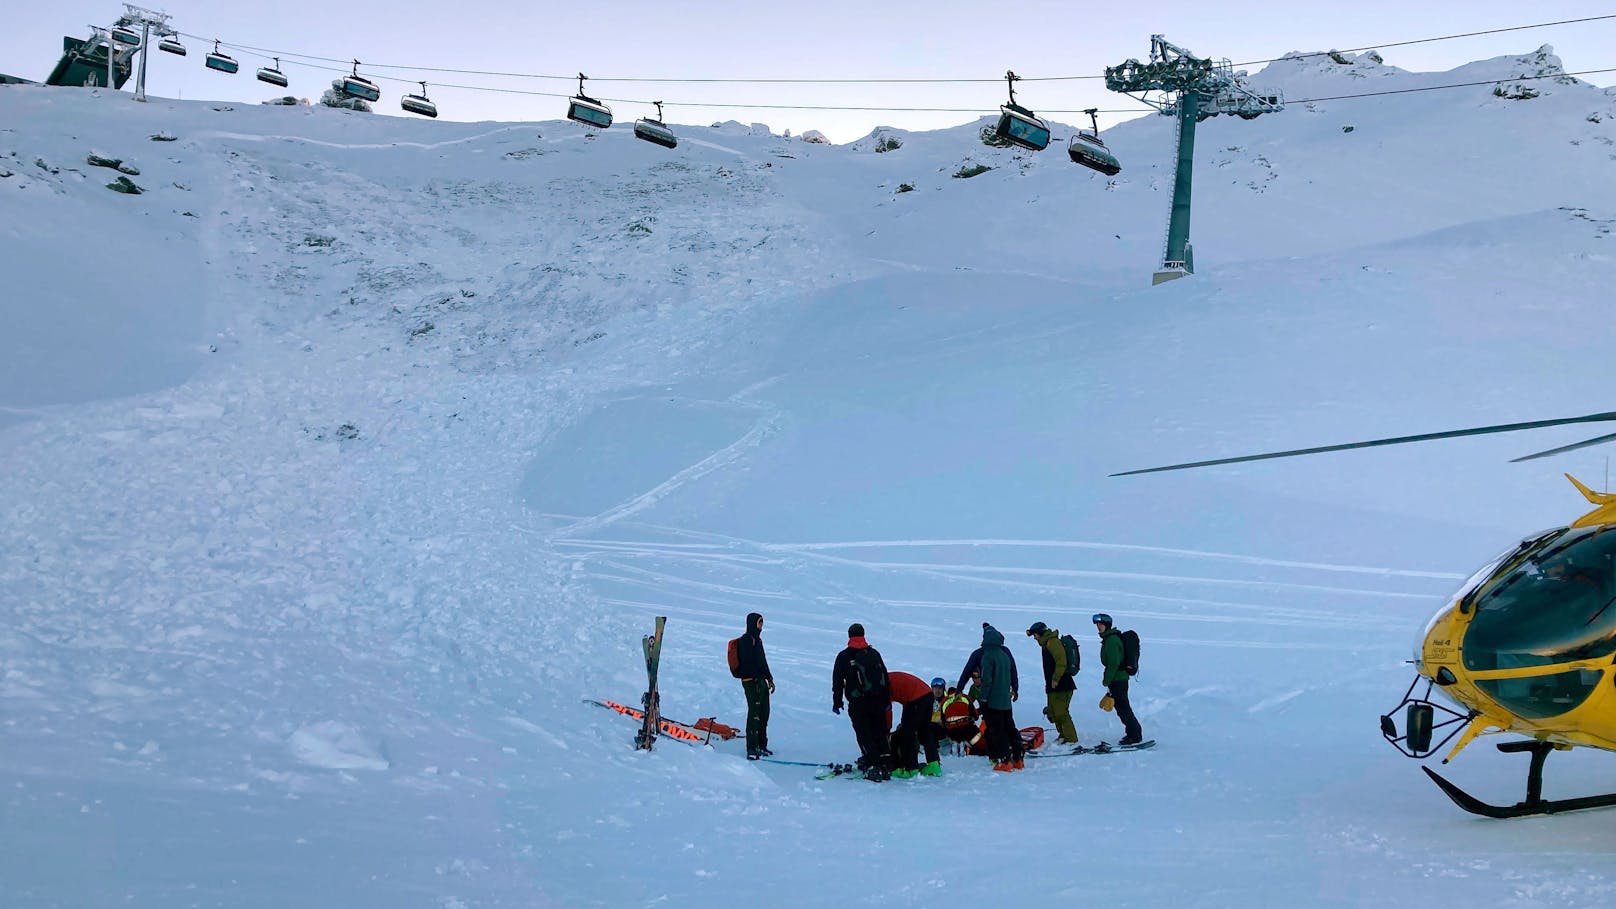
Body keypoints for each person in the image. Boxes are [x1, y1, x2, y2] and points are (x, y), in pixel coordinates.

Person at [832, 623, 892, 779]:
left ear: (849, 635)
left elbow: (837, 681)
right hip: (877, 700)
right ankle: (885, 763)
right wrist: (886, 700)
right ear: (863, 634)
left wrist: (837, 702)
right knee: (879, 731)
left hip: (858, 702)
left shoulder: (844, 656)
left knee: (864, 733)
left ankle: (873, 765)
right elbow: (885, 677)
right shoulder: (874, 653)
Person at [977, 624, 1023, 771]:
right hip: (1006, 701)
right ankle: (1018, 758)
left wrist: (983, 699)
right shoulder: (1004, 655)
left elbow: (986, 681)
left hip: (993, 701)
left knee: (998, 731)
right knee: (1010, 728)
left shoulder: (988, 656)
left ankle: (1005, 761)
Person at [1094, 613, 1143, 746]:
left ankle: (1134, 735)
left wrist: (1107, 680)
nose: (1098, 626)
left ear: (1107, 625)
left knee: (1123, 708)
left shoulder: (1111, 640)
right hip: (1118, 679)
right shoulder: (1110, 638)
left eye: (1100, 624)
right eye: (1097, 624)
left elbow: (1113, 663)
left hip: (1118, 679)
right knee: (1122, 708)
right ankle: (1133, 733)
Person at [1027, 621, 1078, 745]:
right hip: (1053, 685)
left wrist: (1055, 679)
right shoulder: (1046, 644)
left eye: (1035, 635)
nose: (1034, 637)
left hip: (1062, 684)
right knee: (1054, 712)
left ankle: (1071, 739)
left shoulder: (1052, 642)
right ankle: (1063, 735)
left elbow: (1061, 662)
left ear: (1040, 633)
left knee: (1061, 712)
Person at [735, 612, 775, 760]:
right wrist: (757, 678)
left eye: (762, 623)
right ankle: (752, 748)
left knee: (764, 713)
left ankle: (762, 745)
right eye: (759, 623)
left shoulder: (758, 640)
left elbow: (762, 661)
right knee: (755, 714)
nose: (761, 626)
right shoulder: (746, 640)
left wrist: (769, 678)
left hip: (761, 682)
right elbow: (747, 663)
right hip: (751, 682)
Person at [888, 672, 941, 778]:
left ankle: (911, 769)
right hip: (927, 694)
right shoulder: (886, 678)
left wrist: (886, 730)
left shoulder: (880, 686)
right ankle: (934, 764)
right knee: (924, 731)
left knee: (907, 733)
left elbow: (887, 710)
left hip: (916, 699)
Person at [957, 622, 1018, 704]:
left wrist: (959, 689)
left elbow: (966, 672)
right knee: (1005, 715)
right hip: (1003, 694)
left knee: (991, 714)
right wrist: (1015, 688)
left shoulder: (978, 653)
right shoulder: (1005, 651)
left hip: (989, 694)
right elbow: (1013, 670)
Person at [932, 679, 979, 757]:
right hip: (966, 729)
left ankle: (954, 744)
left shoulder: (944, 701)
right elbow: (976, 716)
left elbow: (943, 719)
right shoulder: (965, 697)